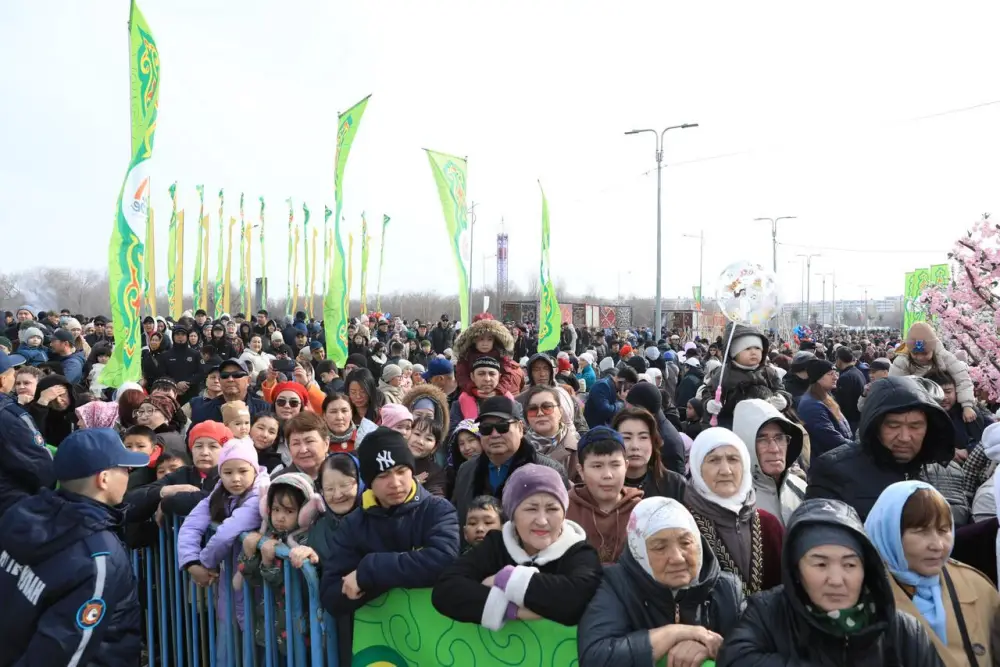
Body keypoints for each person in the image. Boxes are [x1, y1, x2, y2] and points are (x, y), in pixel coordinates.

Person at [716, 498, 945, 667]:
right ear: (796, 569)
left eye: (849, 565)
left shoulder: (901, 630)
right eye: (820, 565)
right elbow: (735, 659)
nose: (836, 580)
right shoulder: (767, 613)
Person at [0, 428, 147, 666]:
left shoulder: (22, 514)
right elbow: (63, 651)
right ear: (104, 478)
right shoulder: (99, 556)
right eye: (123, 468)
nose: (128, 474)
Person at [577, 497, 743, 667]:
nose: (677, 558)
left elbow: (759, 651)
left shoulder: (726, 588)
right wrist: (675, 633)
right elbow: (596, 657)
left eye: (685, 542)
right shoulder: (613, 584)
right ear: (639, 550)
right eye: (660, 547)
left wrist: (714, 649)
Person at [433, 463, 602, 629]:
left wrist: (506, 578)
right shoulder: (496, 545)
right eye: (531, 509)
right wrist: (511, 610)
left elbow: (578, 600)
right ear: (512, 514)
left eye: (552, 509)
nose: (542, 521)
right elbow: (446, 590)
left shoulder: (580, 552)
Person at [320, 428, 460, 618]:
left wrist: (370, 570)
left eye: (401, 471)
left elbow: (444, 559)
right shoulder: (353, 524)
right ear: (369, 482)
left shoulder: (437, 510)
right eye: (383, 476)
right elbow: (331, 594)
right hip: (377, 643)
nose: (395, 483)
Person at [866, 481, 1000, 667]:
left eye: (944, 530)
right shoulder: (862, 594)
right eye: (921, 532)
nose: (937, 545)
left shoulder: (977, 586)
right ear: (889, 532)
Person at [807, 375, 955, 521]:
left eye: (915, 426)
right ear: (874, 426)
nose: (904, 437)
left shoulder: (940, 468)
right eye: (893, 426)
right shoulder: (834, 472)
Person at [177, 438, 268, 644]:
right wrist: (191, 562)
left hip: (257, 581)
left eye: (242, 471)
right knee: (229, 640)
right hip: (229, 580)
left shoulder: (260, 494)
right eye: (228, 473)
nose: (235, 479)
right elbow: (191, 525)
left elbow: (227, 533)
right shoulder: (218, 493)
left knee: (257, 643)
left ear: (254, 470)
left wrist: (205, 564)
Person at [685, 427, 784, 594]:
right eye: (714, 460)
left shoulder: (769, 525)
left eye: (733, 459)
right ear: (697, 468)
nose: (725, 470)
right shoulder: (685, 525)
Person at [237, 472, 323, 656]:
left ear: (306, 511)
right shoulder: (267, 535)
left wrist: (269, 562)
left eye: (289, 511)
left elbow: (291, 583)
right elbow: (252, 580)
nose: (280, 517)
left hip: (300, 629)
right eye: (276, 509)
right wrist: (250, 553)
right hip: (269, 627)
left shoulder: (309, 540)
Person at [451, 396, 569, 526]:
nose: (494, 434)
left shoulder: (548, 470)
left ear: (520, 428)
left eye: (503, 426)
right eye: (486, 428)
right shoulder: (466, 470)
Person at [567, 426, 644, 563]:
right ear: (581, 471)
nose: (607, 475)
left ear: (626, 467)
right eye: (597, 466)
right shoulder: (566, 509)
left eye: (615, 465)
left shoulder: (641, 511)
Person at [732, 398, 807, 525]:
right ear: (746, 444)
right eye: (762, 439)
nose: (774, 449)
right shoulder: (735, 499)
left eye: (780, 438)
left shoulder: (801, 488)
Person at [891, 322, 978, 424]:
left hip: (944, 405)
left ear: (932, 349)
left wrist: (967, 405)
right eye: (915, 353)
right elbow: (895, 387)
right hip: (915, 404)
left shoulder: (945, 357)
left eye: (925, 353)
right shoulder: (902, 361)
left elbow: (962, 379)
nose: (920, 357)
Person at [0, 350, 53, 515]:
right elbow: (40, 466)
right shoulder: (10, 415)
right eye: (12, 375)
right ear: (2, 380)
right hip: (11, 506)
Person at [612, 406, 687, 502]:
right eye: (626, 437)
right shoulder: (603, 486)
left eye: (643, 437)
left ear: (653, 442)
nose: (635, 446)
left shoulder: (676, 485)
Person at [523, 384, 581, 482]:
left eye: (547, 407)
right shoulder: (516, 448)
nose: (540, 413)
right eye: (533, 409)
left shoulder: (578, 451)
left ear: (560, 412)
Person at [798, 358, 853, 459]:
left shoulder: (825, 397)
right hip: (829, 460)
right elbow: (831, 438)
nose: (835, 377)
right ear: (818, 378)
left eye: (835, 373)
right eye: (830, 374)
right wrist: (857, 447)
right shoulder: (811, 405)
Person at [27, 374, 80, 447]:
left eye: (62, 394)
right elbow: (33, 436)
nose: (58, 400)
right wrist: (42, 402)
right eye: (52, 398)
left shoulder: (81, 410)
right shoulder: (40, 414)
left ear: (69, 392)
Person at [835, 346, 867, 432]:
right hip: (858, 417)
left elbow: (844, 402)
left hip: (851, 419)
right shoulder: (857, 371)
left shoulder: (846, 377)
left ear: (839, 359)